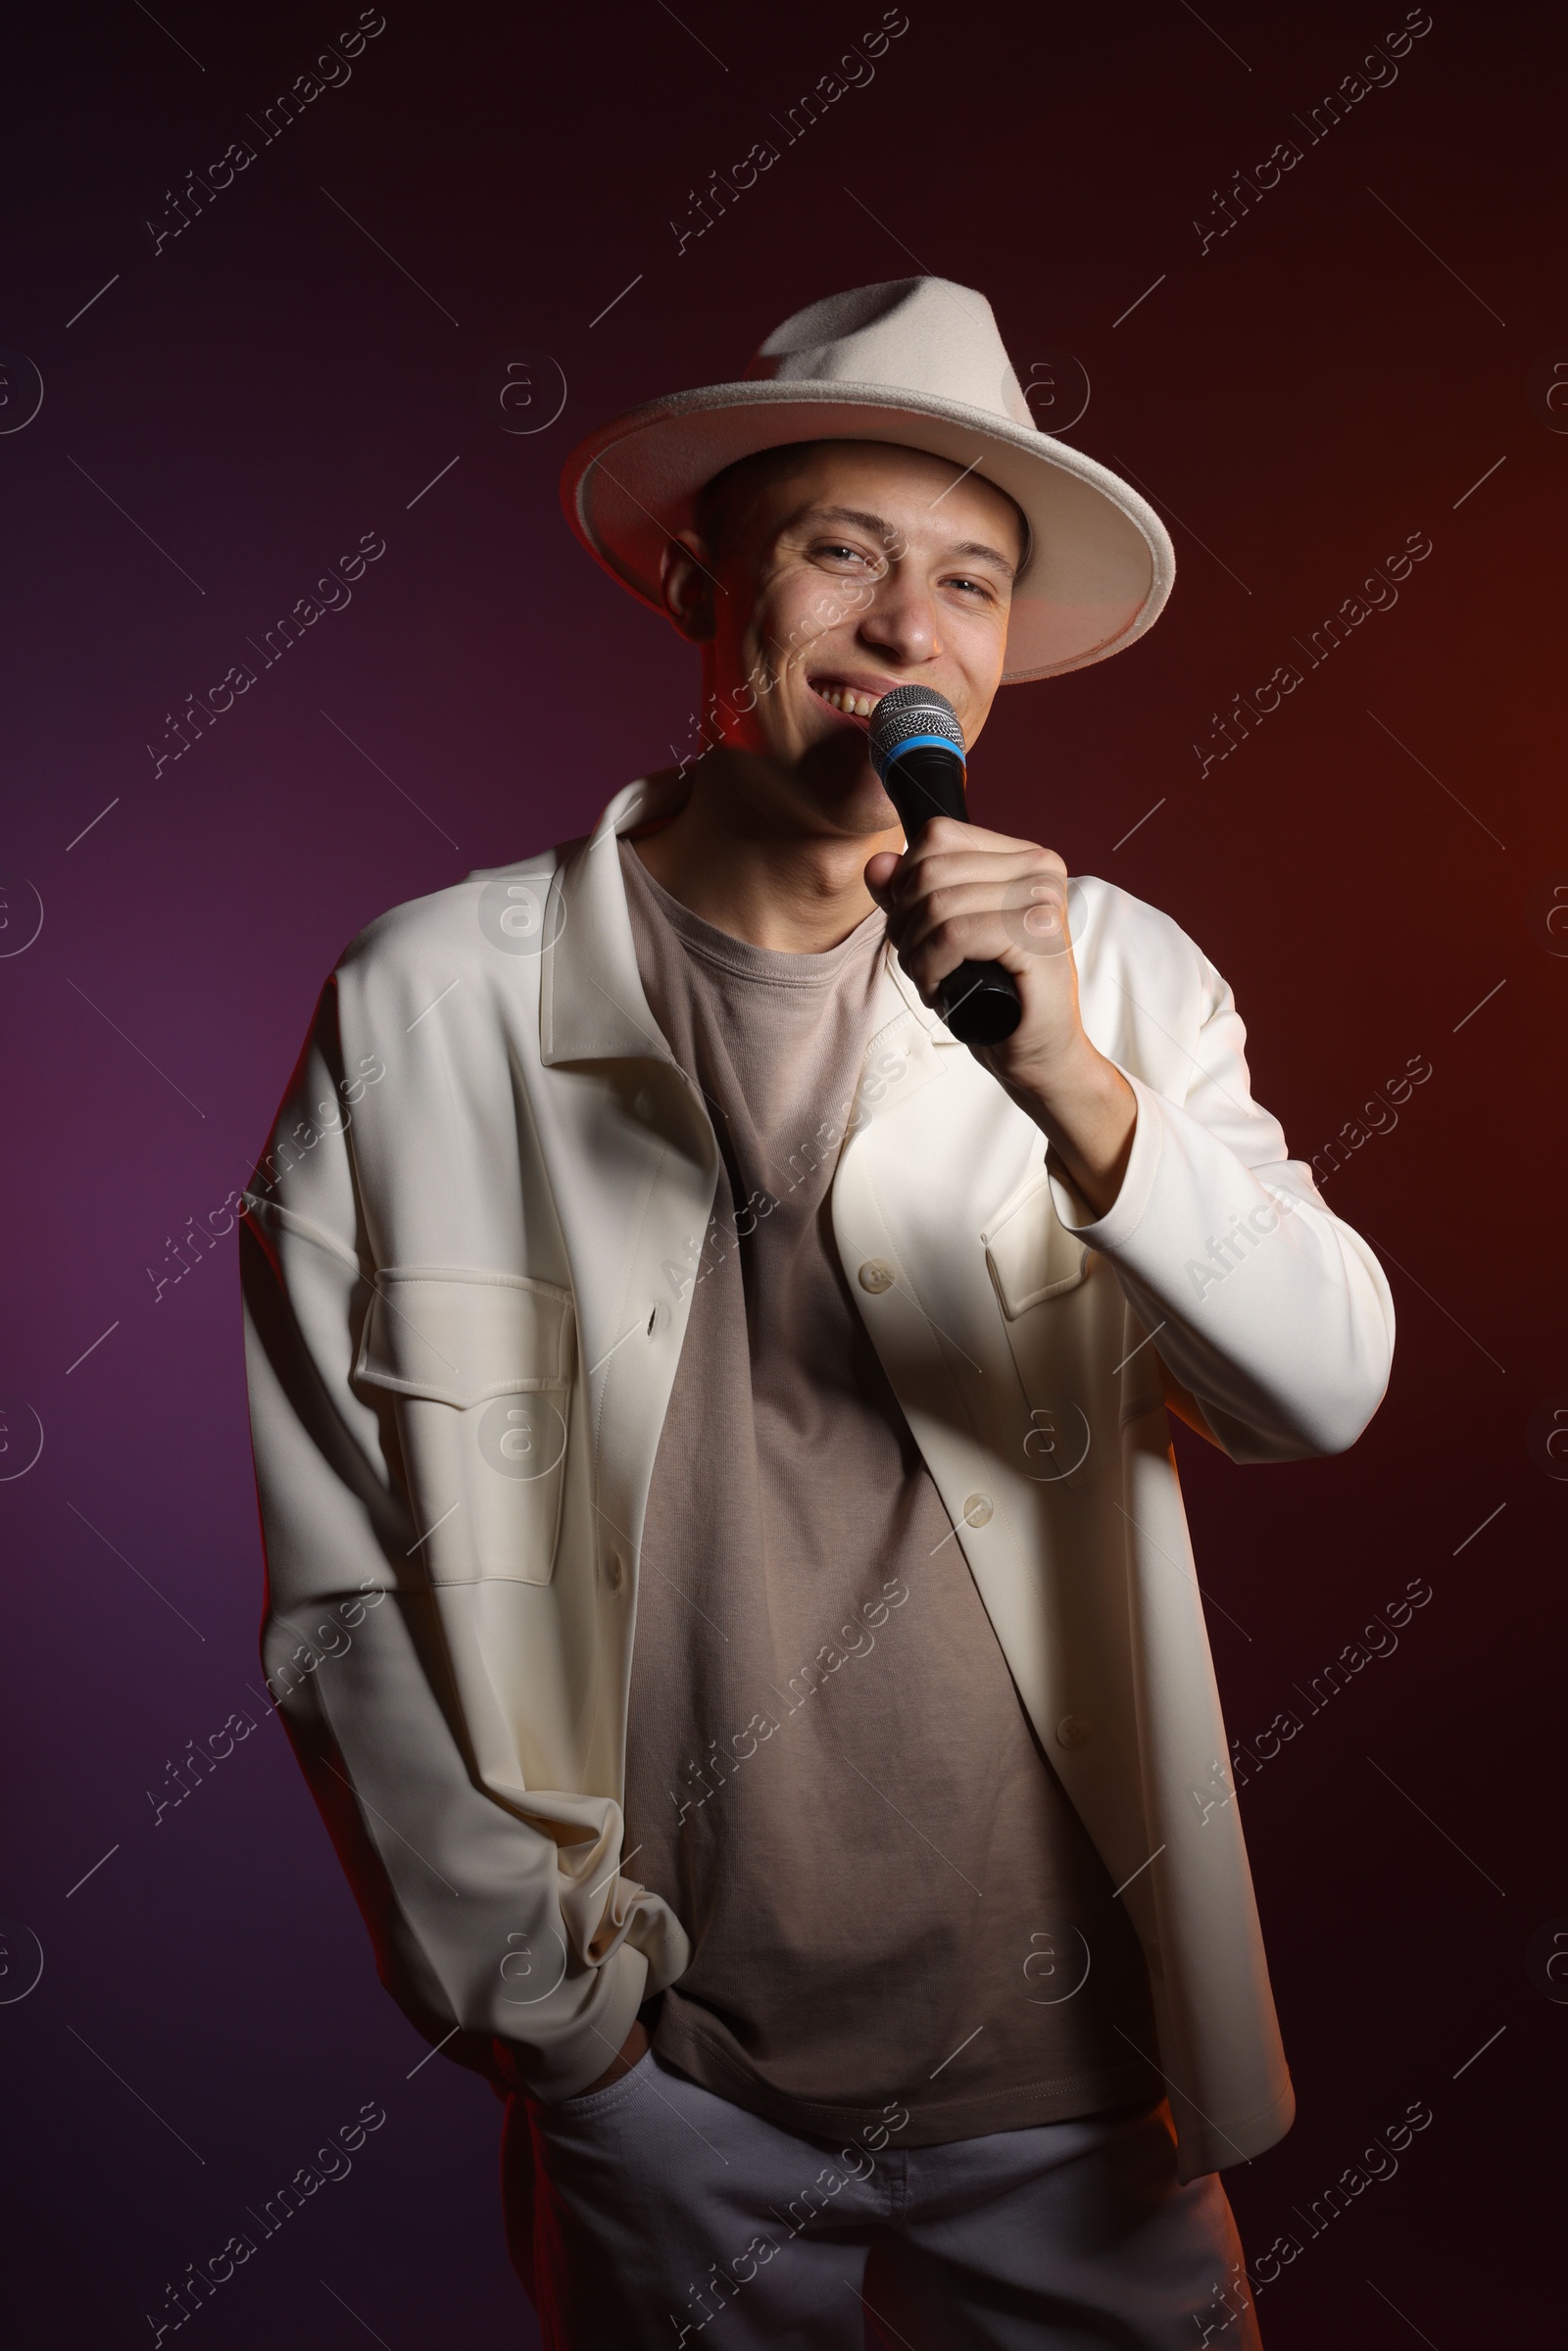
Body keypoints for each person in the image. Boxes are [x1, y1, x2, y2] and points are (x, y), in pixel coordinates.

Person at [240, 277, 1395, 2348]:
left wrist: (1068, 1086)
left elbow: (1315, 1392)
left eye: (965, 581)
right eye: (840, 553)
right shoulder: (428, 1006)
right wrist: (550, 2020)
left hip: (1076, 2076)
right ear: (704, 584)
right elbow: (346, 1575)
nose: (903, 628)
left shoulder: (1116, 980)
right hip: (666, 2078)